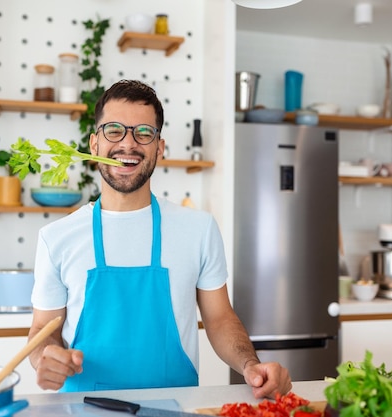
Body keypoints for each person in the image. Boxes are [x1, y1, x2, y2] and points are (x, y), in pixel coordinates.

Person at [27, 79, 292, 398]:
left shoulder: (198, 229)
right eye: (114, 130)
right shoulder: (57, 237)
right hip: (82, 407)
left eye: (143, 133)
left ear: (159, 148)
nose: (128, 144)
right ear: (94, 144)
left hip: (175, 406)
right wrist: (45, 358)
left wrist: (249, 365)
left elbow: (220, 319)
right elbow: (43, 331)